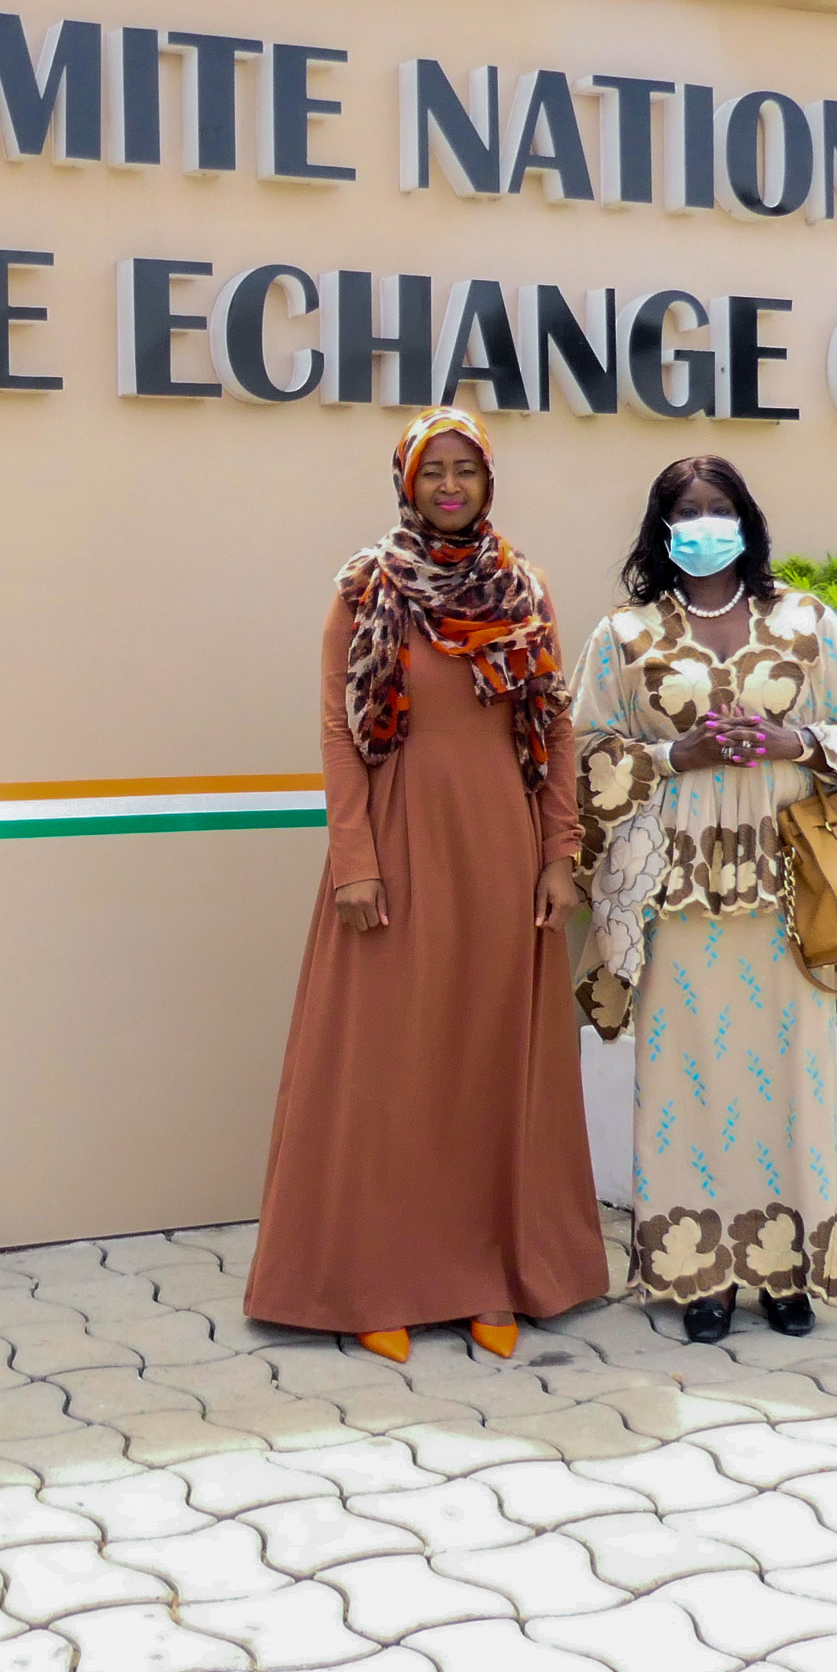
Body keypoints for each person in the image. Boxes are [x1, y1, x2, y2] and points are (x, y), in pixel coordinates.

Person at [245, 408, 609, 1363]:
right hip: (399, 839)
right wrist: (355, 862)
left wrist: (559, 852)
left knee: (487, 1062)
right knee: (390, 1068)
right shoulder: (366, 587)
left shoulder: (522, 586)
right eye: (433, 471)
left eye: (465, 470)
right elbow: (339, 731)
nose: (450, 486)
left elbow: (553, 725)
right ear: (407, 483)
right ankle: (377, 1281)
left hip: (500, 842)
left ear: (488, 480)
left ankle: (490, 1275)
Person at [570, 456, 837, 1343]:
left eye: (720, 508)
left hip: (786, 893)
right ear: (662, 528)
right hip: (677, 895)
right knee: (685, 1080)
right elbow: (582, 751)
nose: (705, 523)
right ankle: (699, 1273)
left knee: (792, 1079)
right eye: (688, 510)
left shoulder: (805, 622)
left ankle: (786, 1269)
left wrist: (793, 741)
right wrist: (677, 756)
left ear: (746, 520)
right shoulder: (624, 635)